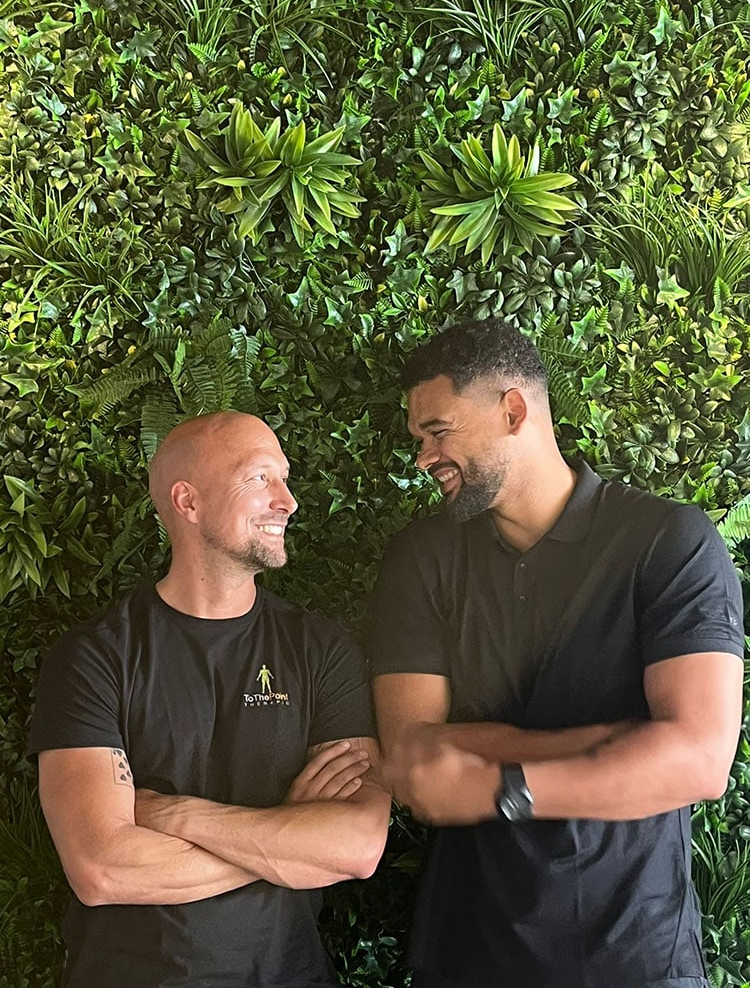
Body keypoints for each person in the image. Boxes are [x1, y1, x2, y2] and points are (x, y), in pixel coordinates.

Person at [368, 320, 745, 988]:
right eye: (419, 439)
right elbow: (414, 754)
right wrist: (621, 740)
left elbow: (699, 761)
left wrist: (498, 784)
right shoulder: (422, 560)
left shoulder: (667, 542)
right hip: (470, 953)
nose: (424, 458)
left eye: (438, 431)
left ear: (513, 410)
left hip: (637, 957)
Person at [29, 410, 391, 988]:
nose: (288, 501)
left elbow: (357, 846)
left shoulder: (321, 650)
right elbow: (100, 869)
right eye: (259, 479)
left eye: (285, 477)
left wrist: (173, 816)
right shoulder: (95, 657)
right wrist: (288, 836)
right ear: (188, 502)